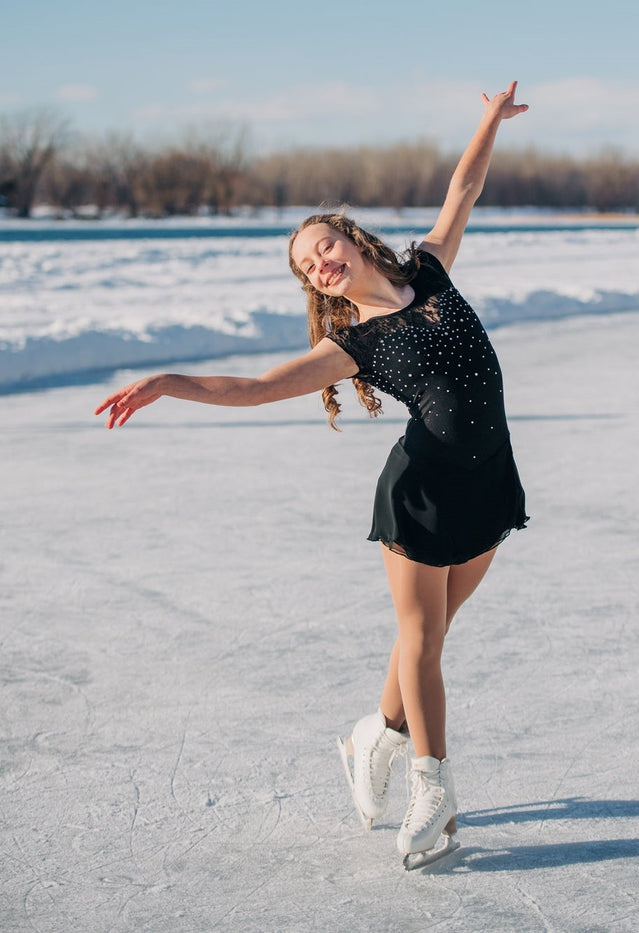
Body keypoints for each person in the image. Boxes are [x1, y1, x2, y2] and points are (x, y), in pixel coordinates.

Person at [95, 81, 530, 868]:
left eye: (320, 245)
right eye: (304, 267)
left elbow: (463, 188)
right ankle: (434, 790)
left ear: (350, 236)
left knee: (427, 640)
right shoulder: (354, 344)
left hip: (490, 480)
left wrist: (486, 122)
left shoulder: (430, 268)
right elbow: (258, 387)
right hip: (421, 495)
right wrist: (168, 381)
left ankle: (376, 734)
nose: (317, 264)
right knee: (423, 641)